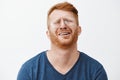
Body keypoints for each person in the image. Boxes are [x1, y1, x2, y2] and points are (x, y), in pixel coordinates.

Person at [17, 2, 108, 80]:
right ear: (48, 33)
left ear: (79, 30)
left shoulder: (95, 71)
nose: (63, 26)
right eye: (57, 22)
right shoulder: (29, 70)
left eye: (68, 20)